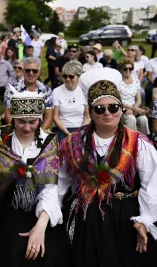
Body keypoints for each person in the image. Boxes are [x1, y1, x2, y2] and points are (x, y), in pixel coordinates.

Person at [59, 67, 157, 267]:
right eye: (99, 108)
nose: (107, 113)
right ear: (90, 111)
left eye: (113, 107)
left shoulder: (139, 143)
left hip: (126, 218)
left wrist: (145, 220)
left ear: (121, 109)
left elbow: (152, 184)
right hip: (86, 220)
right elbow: (60, 183)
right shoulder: (72, 143)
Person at [0, 90, 69, 267]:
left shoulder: (48, 142)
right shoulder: (0, 139)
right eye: (21, 121)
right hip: (6, 208)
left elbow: (50, 188)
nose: (27, 127)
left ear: (40, 119)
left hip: (39, 208)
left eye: (33, 122)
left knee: (44, 252)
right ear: (12, 118)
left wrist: (40, 227)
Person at [4, 58, 53, 130]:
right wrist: (16, 133)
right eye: (28, 70)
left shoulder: (46, 90)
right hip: (17, 131)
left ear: (39, 72)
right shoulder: (11, 89)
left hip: (39, 131)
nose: (31, 73)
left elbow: (48, 117)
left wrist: (39, 135)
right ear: (23, 71)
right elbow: (7, 113)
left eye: (34, 71)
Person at [52, 60, 90, 142]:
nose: (68, 79)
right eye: (65, 76)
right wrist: (67, 132)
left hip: (80, 128)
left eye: (71, 76)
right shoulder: (56, 91)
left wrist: (80, 132)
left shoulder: (84, 92)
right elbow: (55, 116)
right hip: (61, 129)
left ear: (78, 76)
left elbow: (87, 117)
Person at [119, 59, 150, 135]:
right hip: (122, 108)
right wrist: (133, 109)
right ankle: (131, 140)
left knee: (144, 119)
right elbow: (118, 100)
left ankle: (145, 140)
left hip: (134, 107)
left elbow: (139, 99)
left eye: (130, 68)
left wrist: (135, 108)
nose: (128, 70)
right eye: (125, 68)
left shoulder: (136, 81)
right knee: (131, 119)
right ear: (121, 69)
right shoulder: (118, 82)